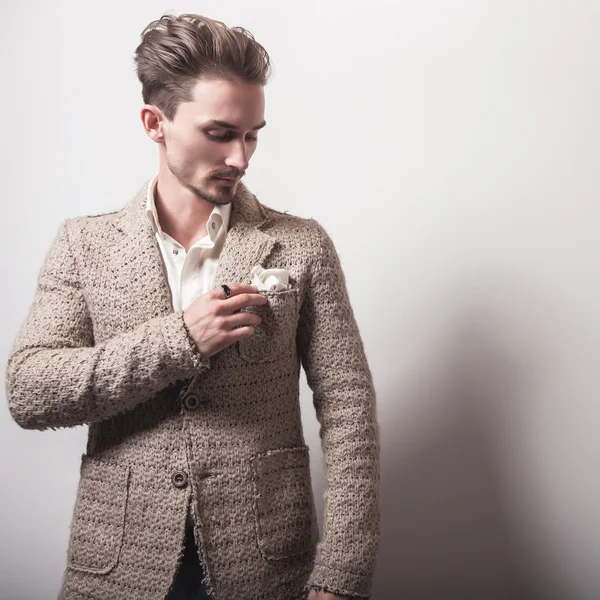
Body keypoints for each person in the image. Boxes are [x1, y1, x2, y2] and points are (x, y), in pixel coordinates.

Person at [5, 13, 380, 600]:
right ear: (155, 123)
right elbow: (29, 392)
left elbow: (350, 411)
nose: (241, 156)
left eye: (252, 133)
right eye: (219, 133)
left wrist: (341, 574)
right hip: (116, 566)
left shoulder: (302, 243)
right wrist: (179, 339)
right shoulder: (85, 245)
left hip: (265, 560)